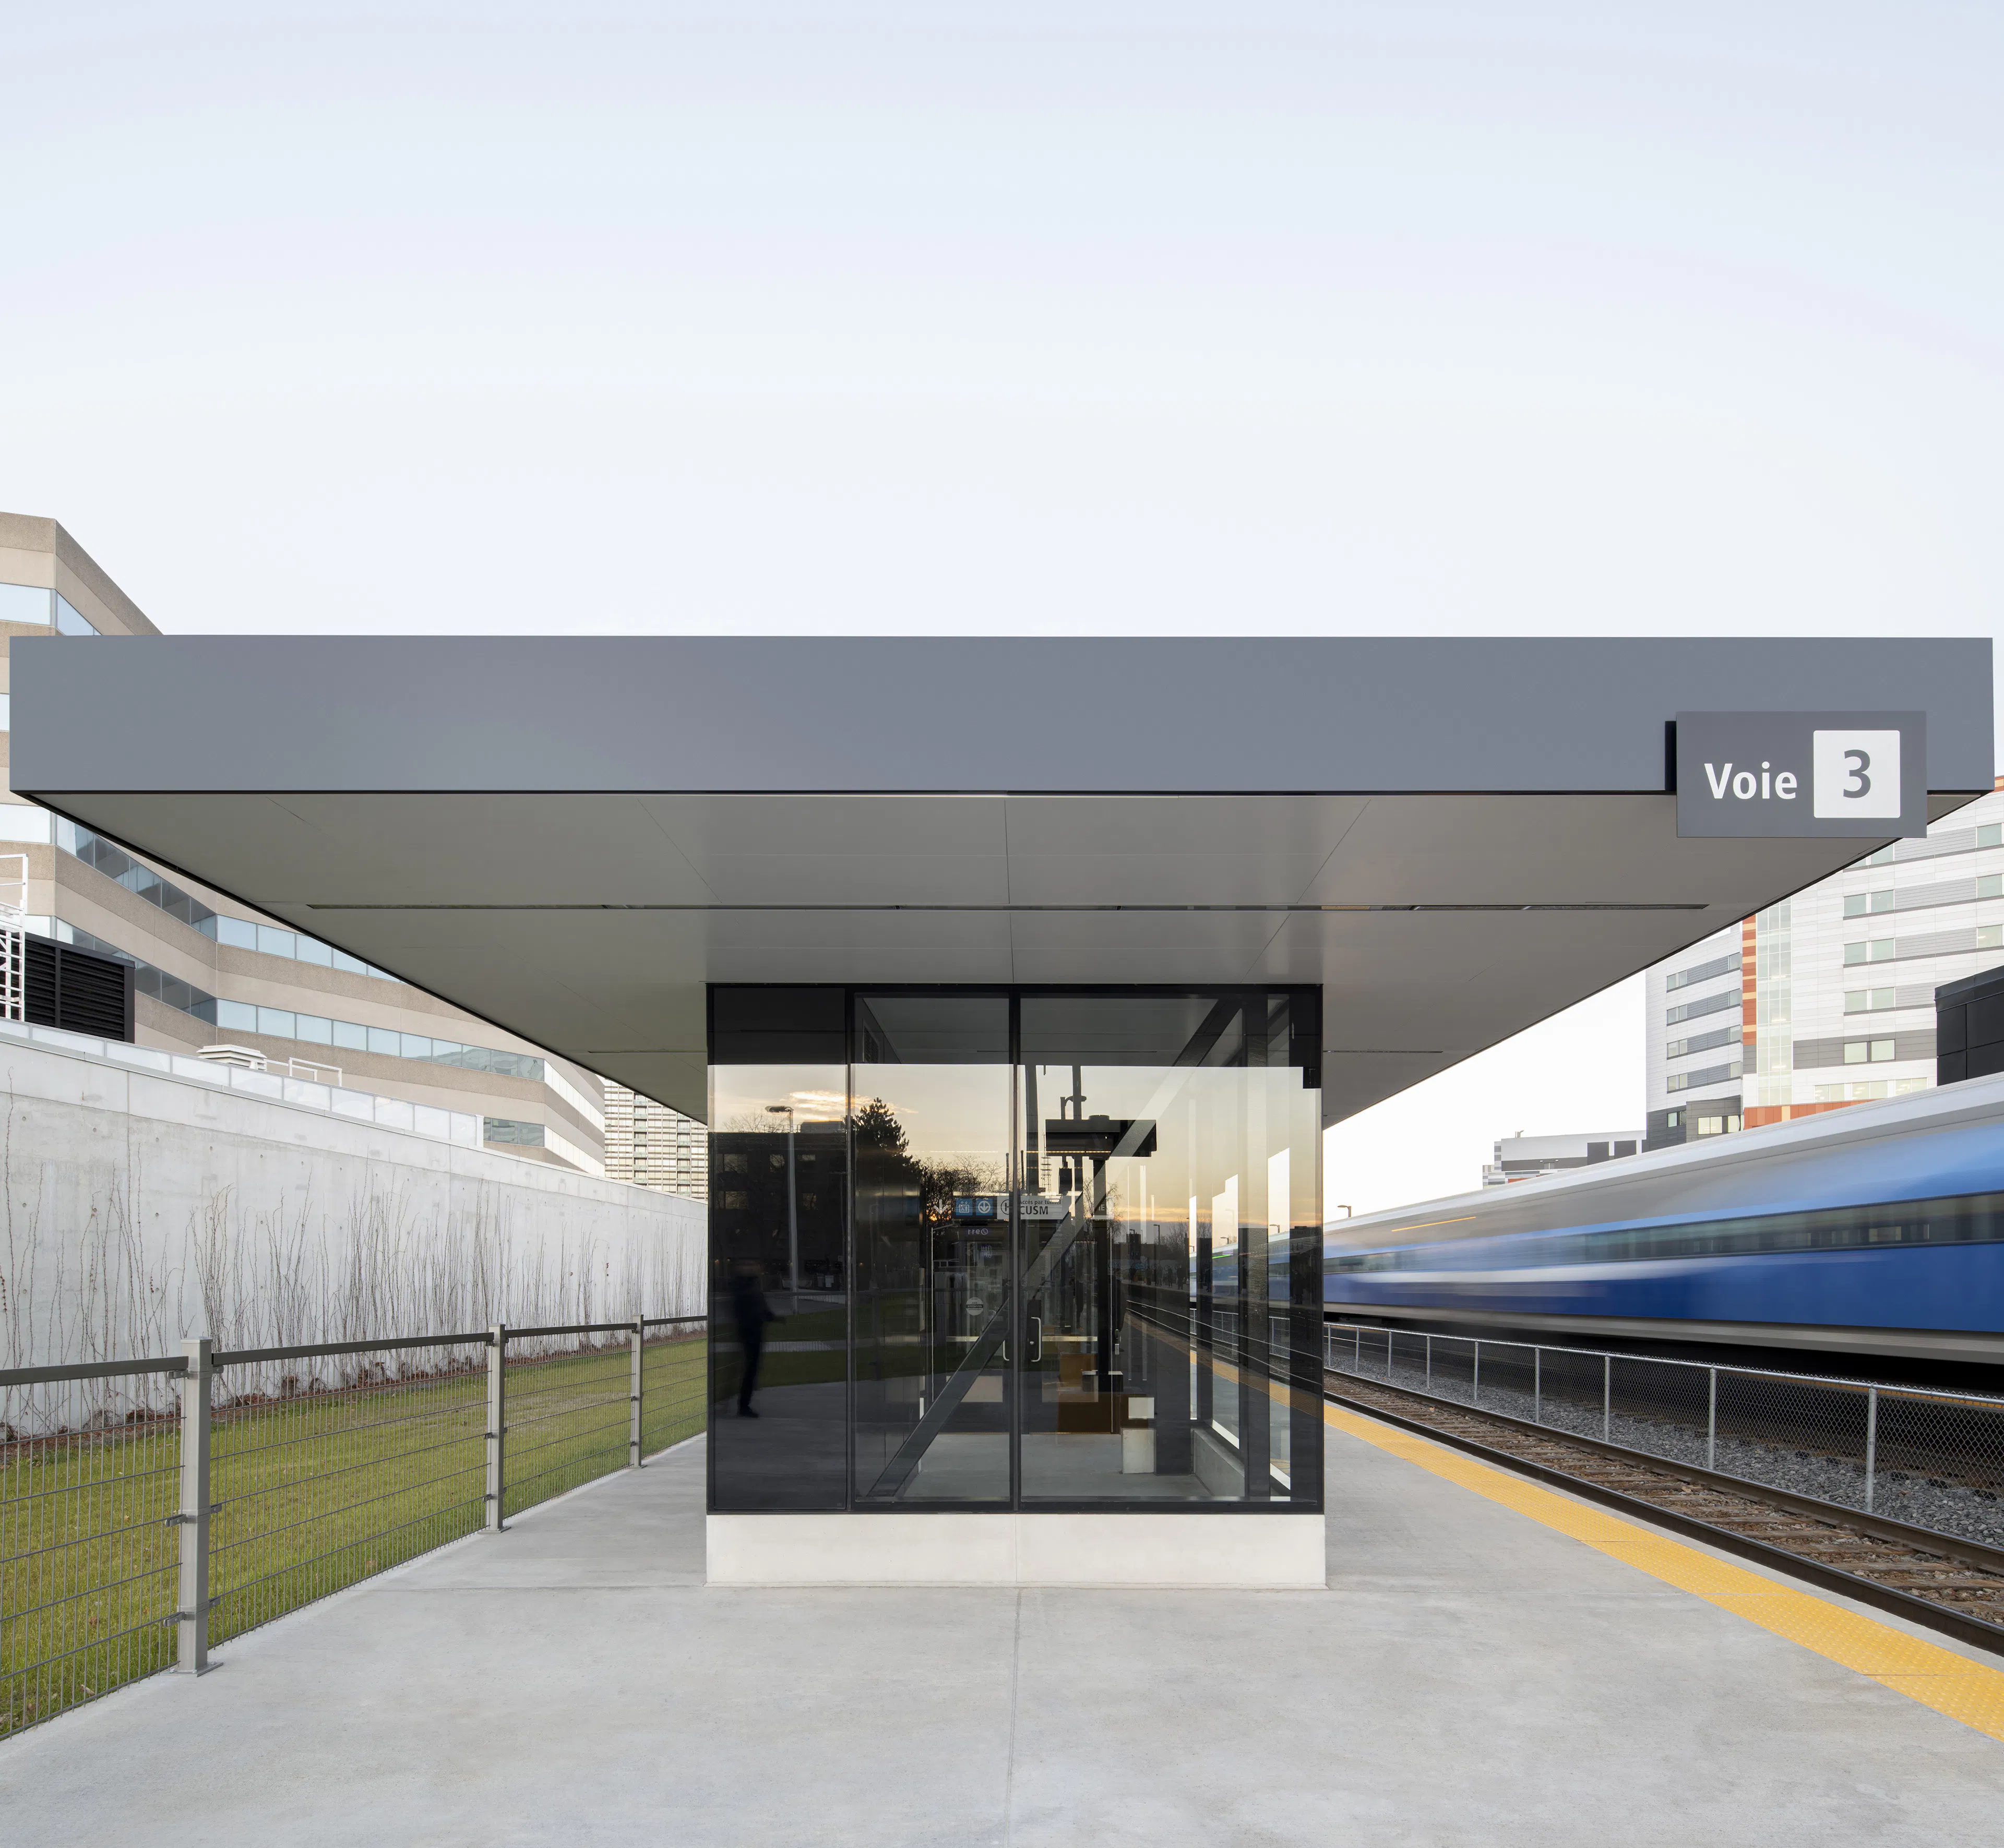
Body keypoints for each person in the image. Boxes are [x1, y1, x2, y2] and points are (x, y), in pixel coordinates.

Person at [729, 1259, 776, 1417]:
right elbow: (754, 1310)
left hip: (751, 1333)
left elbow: (760, 1307)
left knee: (750, 1369)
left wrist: (769, 1317)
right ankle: (743, 1405)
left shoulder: (749, 1288)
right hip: (750, 1334)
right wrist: (765, 1317)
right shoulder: (748, 1290)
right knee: (750, 1369)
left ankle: (743, 1403)